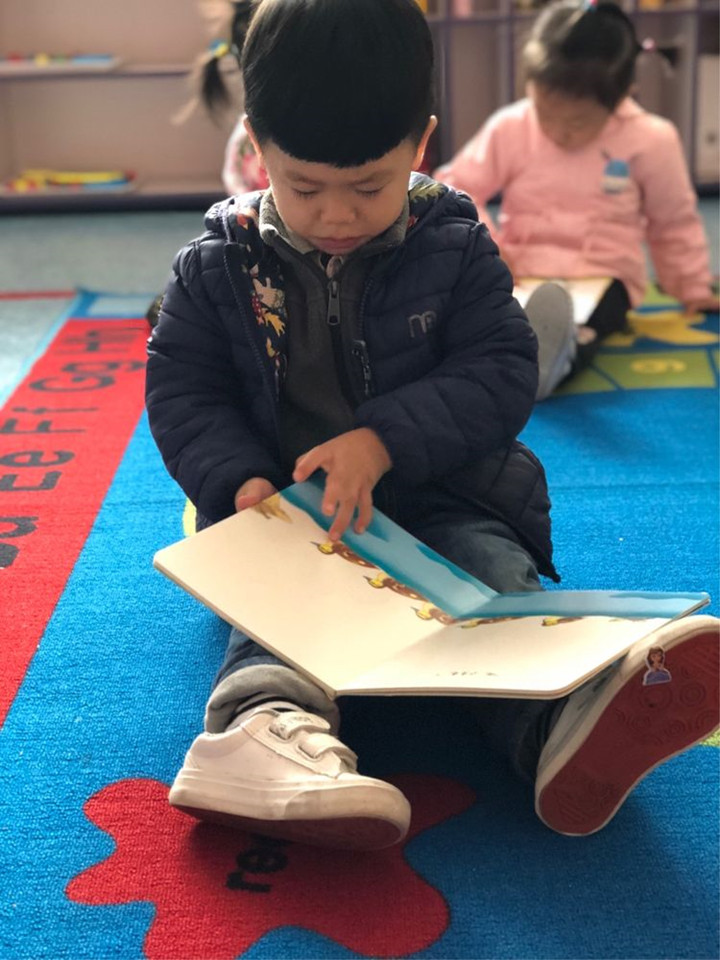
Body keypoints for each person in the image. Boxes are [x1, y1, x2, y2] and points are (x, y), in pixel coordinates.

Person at [145, 0, 720, 850]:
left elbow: (501, 372)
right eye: (304, 187)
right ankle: (258, 733)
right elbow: (184, 389)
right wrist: (238, 481)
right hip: (301, 521)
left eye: (368, 187)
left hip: (448, 496)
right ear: (257, 147)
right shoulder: (217, 266)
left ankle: (558, 730)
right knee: (279, 621)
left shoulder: (455, 244)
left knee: (502, 594)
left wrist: (382, 441)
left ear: (420, 145)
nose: (338, 216)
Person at [434, 0, 719, 400]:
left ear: (622, 95)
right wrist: (490, 247)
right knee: (480, 313)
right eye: (545, 113)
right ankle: (487, 359)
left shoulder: (651, 140)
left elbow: (672, 221)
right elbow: (456, 188)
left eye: (577, 122)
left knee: (586, 326)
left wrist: (692, 287)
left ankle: (552, 364)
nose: (558, 131)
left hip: (603, 277)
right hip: (521, 270)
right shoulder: (511, 127)